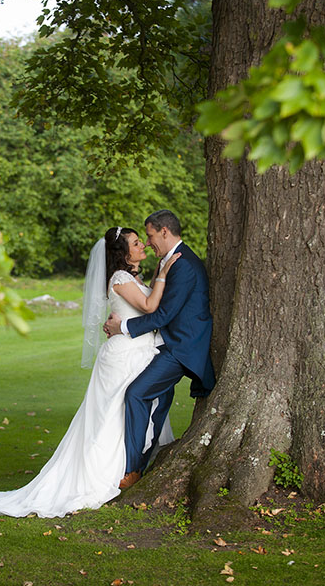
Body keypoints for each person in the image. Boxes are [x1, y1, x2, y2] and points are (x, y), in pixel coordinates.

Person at [0, 226, 179, 518]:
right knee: (111, 415)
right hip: (123, 356)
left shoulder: (132, 278)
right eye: (136, 243)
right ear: (123, 254)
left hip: (136, 352)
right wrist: (164, 273)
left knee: (126, 411)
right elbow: (149, 306)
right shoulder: (120, 278)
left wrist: (156, 277)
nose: (142, 246)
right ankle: (111, 472)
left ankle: (130, 467)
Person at [103, 210, 214, 490]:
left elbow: (162, 314)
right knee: (159, 399)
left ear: (164, 231)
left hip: (180, 346)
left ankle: (132, 470)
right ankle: (140, 463)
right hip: (166, 343)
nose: (148, 242)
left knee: (137, 394)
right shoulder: (170, 261)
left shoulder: (183, 264)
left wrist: (122, 327)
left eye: (149, 236)